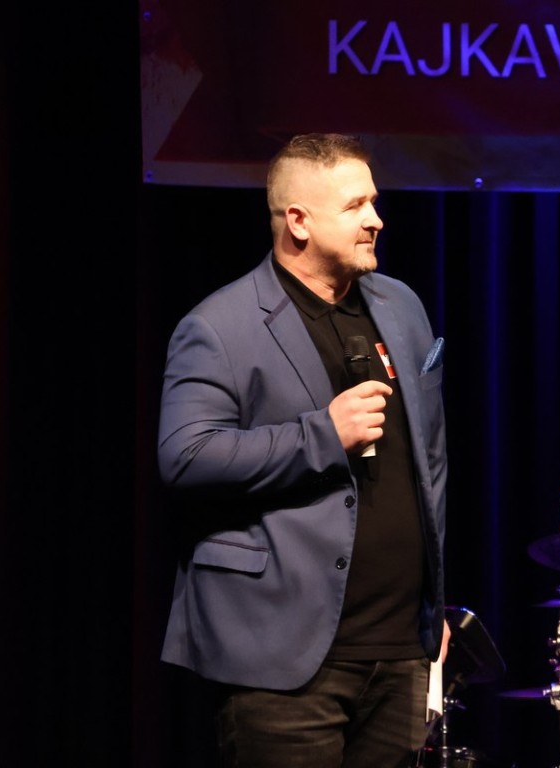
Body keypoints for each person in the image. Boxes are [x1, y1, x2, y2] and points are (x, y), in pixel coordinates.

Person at [157, 132, 449, 768]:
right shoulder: (219, 326)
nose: (376, 219)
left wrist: (434, 604)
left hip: (400, 649)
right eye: (354, 206)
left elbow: (430, 459)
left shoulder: (402, 306)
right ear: (298, 221)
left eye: (373, 201)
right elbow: (186, 456)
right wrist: (323, 434)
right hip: (281, 656)